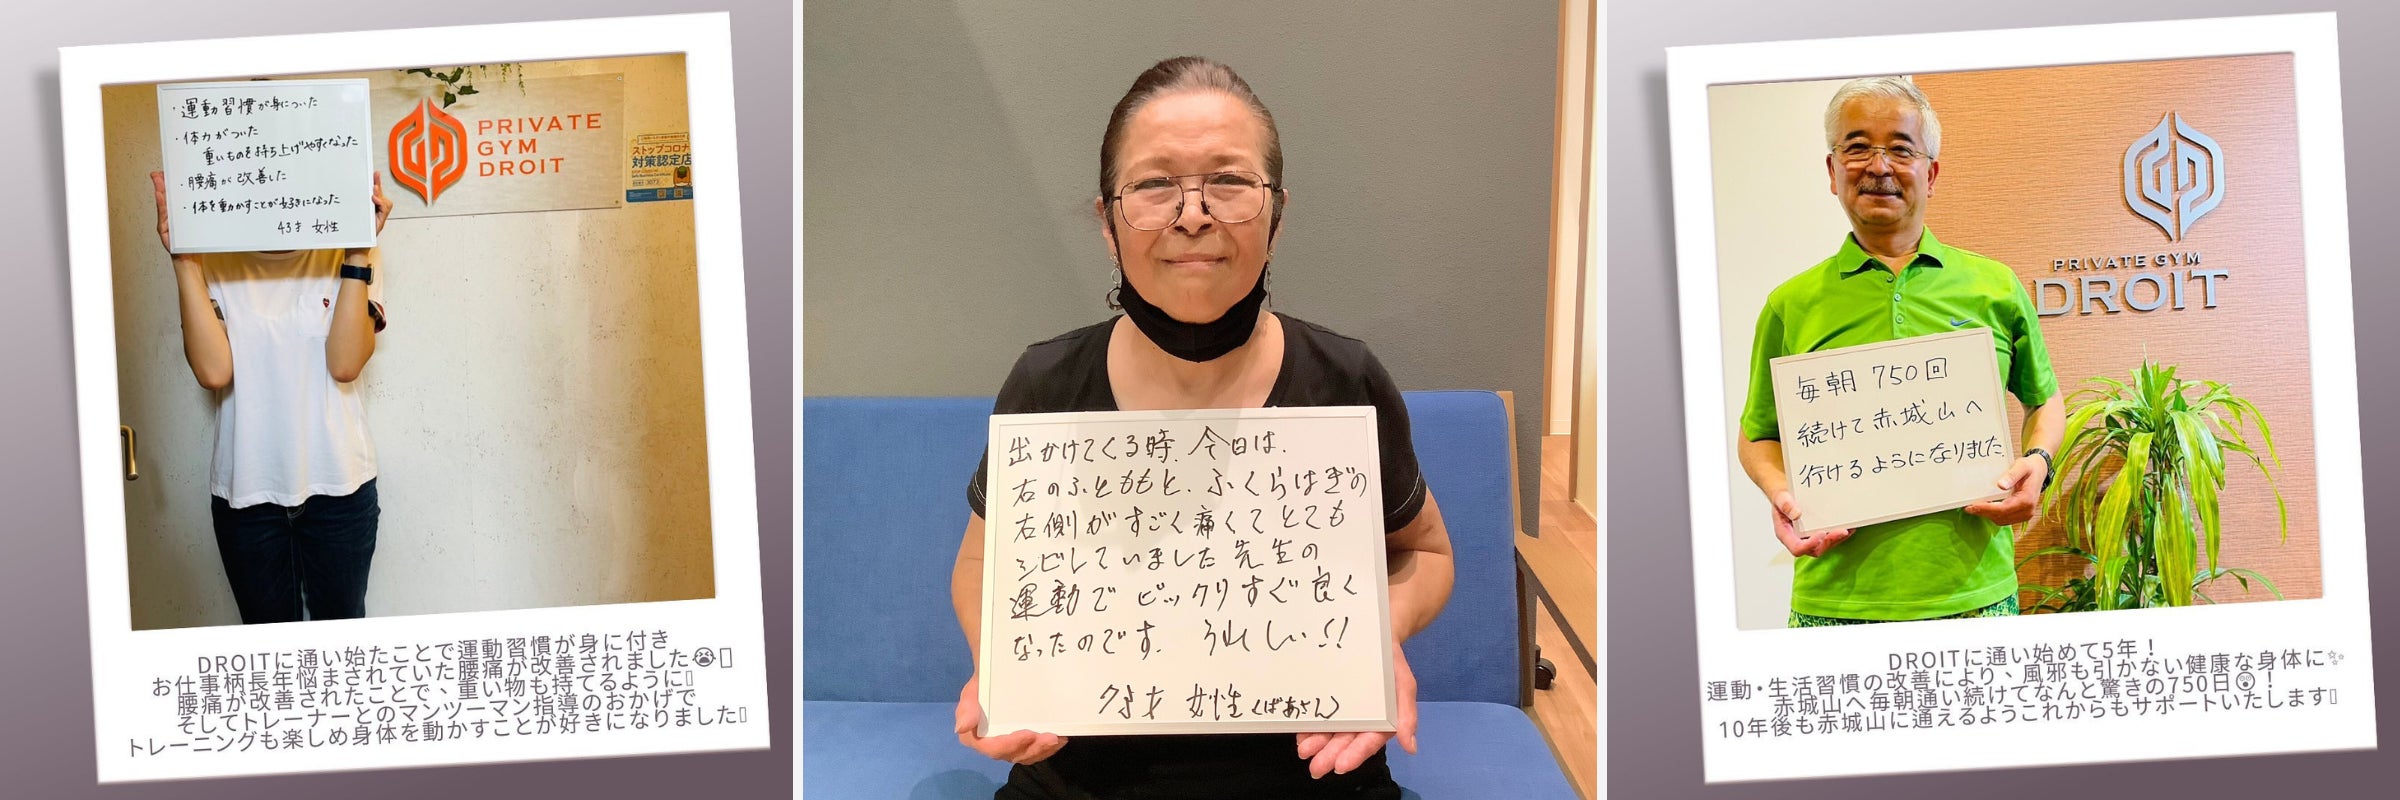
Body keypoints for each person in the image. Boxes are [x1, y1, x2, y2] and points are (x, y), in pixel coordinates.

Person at [947, 56, 1456, 799]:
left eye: (1229, 182)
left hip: (1313, 774)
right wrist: (1001, 664)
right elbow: (978, 562)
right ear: (1108, 222)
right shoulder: (1047, 385)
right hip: (1080, 781)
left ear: (1276, 215)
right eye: (1155, 184)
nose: (1193, 215)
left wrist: (1377, 637)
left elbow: (1425, 552)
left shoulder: (1343, 379)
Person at [1736, 76, 2064, 627]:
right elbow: (1756, 435)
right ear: (1832, 171)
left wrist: (2039, 462)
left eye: (1901, 148)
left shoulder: (1995, 286)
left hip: (1976, 595)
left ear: (1930, 173)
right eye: (1857, 147)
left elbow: (2045, 400)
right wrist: (1783, 495)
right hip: (1833, 601)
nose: (1879, 166)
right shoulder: (1790, 304)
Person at [151, 169, 392, 625]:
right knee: (266, 642)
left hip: (339, 490)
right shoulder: (210, 255)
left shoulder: (352, 247)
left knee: (342, 638)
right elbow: (213, 372)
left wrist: (358, 250)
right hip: (246, 495)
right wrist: (183, 260)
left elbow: (345, 363)